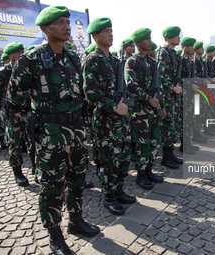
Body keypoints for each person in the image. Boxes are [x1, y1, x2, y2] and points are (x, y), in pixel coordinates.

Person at [7, 6, 100, 255]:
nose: (67, 26)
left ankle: (76, 221)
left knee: (78, 179)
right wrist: (34, 123)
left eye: (68, 22)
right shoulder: (31, 59)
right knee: (51, 187)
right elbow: (14, 100)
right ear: (45, 29)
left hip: (76, 130)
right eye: (60, 22)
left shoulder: (72, 57)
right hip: (51, 135)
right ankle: (54, 236)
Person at [83, 17, 136, 216]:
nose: (111, 34)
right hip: (105, 120)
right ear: (95, 36)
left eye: (112, 30)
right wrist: (114, 107)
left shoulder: (115, 61)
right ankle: (110, 197)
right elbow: (91, 93)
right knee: (108, 162)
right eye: (106, 31)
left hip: (121, 119)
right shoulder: (92, 60)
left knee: (123, 158)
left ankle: (119, 190)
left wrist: (125, 105)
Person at [125, 28, 164, 190]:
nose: (149, 41)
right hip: (140, 112)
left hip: (153, 111)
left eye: (150, 38)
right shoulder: (132, 62)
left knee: (154, 142)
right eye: (146, 39)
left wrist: (160, 105)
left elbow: (159, 87)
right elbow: (130, 85)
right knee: (142, 144)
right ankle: (141, 175)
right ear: (138, 42)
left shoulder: (152, 62)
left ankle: (149, 170)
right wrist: (149, 99)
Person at [0, 42, 32, 186]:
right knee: (15, 143)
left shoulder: (27, 70)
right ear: (10, 55)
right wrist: (7, 107)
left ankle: (37, 169)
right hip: (12, 114)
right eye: (18, 53)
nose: (21, 55)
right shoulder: (2, 74)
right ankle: (18, 173)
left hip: (28, 112)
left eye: (22, 52)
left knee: (33, 141)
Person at [157, 26, 183, 169]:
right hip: (166, 96)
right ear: (169, 38)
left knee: (173, 126)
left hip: (173, 97)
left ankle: (170, 154)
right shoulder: (163, 53)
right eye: (176, 35)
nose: (179, 38)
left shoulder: (173, 53)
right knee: (167, 127)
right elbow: (160, 76)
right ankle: (166, 158)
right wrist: (172, 87)